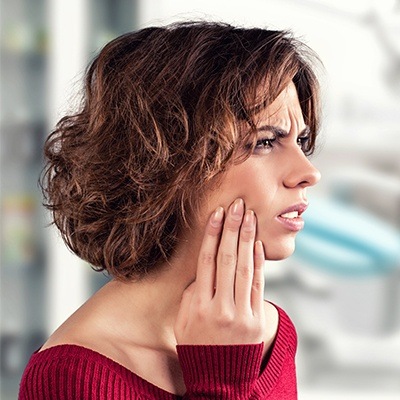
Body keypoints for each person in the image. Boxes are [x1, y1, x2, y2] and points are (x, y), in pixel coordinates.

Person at [19, 21, 321, 399]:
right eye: (264, 142)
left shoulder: (271, 334)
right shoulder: (70, 378)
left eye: (301, 140)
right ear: (167, 163)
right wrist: (222, 382)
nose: (308, 173)